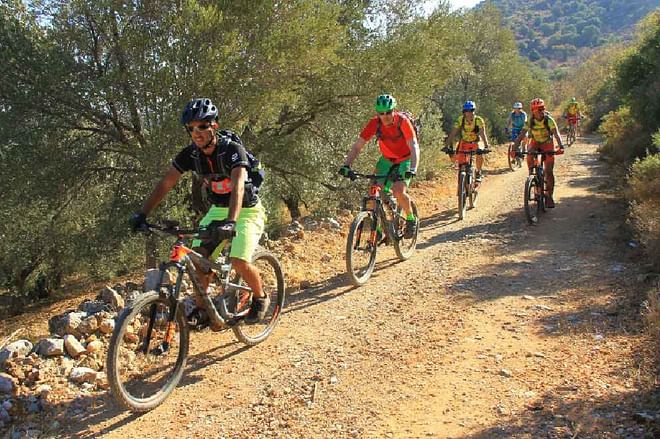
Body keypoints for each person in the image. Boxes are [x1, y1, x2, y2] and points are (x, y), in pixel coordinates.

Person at [129, 98, 269, 325]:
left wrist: (231, 222)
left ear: (214, 125)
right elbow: (166, 183)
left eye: (202, 126)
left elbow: (238, 186)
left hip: (246, 211)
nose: (196, 133)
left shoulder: (232, 150)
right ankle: (204, 310)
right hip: (218, 210)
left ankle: (260, 298)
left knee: (238, 260)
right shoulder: (190, 155)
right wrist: (143, 214)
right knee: (197, 260)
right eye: (191, 128)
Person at [339, 94, 420, 239]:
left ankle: (410, 218)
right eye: (381, 113)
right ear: (377, 113)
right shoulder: (375, 123)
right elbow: (358, 146)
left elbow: (413, 146)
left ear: (393, 110)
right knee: (373, 191)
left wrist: (413, 168)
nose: (385, 116)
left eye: (388, 112)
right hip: (386, 160)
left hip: (405, 160)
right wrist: (346, 165)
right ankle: (379, 229)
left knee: (398, 191)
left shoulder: (403, 122)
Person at [515, 98, 565, 208]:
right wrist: (514, 148)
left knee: (548, 171)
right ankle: (532, 176)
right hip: (535, 142)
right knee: (529, 154)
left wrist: (561, 146)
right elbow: (521, 135)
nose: (541, 111)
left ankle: (549, 196)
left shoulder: (549, 120)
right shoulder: (529, 121)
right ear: (533, 111)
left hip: (547, 143)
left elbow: (556, 134)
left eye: (542, 108)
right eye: (538, 109)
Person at [445, 100, 491, 182]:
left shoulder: (478, 120)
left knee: (480, 153)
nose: (469, 113)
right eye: (467, 111)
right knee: (458, 160)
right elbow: (453, 133)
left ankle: (478, 172)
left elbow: (482, 133)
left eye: (472, 110)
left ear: (474, 111)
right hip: (464, 142)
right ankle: (462, 185)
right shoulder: (460, 120)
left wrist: (487, 146)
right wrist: (446, 145)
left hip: (476, 141)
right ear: (464, 112)